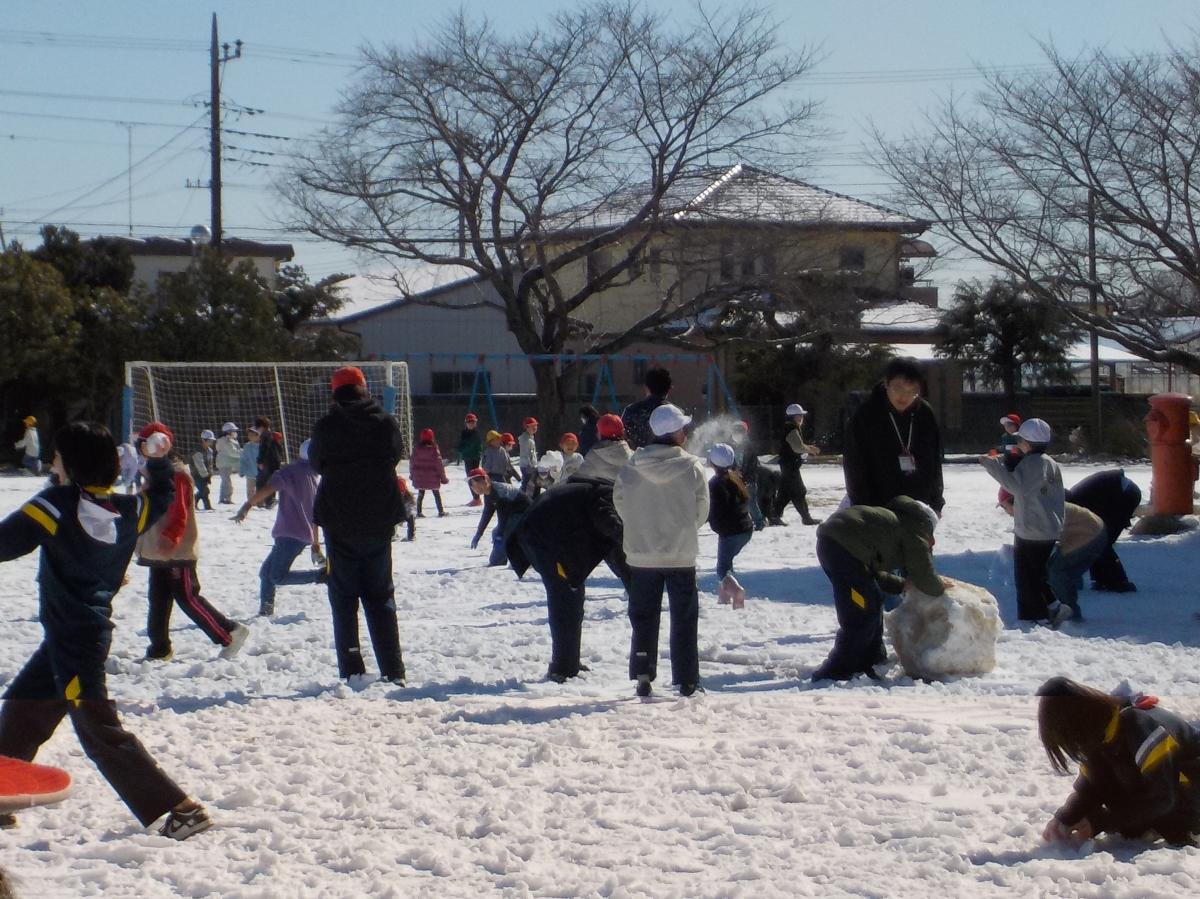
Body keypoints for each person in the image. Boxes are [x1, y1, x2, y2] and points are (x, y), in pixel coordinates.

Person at [0, 421, 211, 839]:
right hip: (78, 637)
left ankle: (181, 809)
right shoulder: (130, 510)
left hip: (74, 644)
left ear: (71, 463)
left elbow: (5, 542)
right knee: (22, 713)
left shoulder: (55, 505)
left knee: (100, 730)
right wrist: (159, 462)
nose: (53, 464)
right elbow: (161, 496)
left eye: (57, 457)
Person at [309, 366, 407, 684]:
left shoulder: (327, 425)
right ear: (364, 388)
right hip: (379, 517)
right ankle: (393, 670)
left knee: (343, 597)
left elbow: (316, 463)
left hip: (339, 520)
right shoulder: (384, 421)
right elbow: (396, 454)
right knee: (381, 595)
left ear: (335, 392)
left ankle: (352, 670)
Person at [613, 403, 709, 698]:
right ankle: (687, 679)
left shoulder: (632, 467)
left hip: (642, 554)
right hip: (680, 553)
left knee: (643, 616)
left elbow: (620, 504)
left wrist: (641, 528)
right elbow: (702, 510)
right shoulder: (692, 467)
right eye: (683, 428)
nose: (686, 433)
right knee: (684, 617)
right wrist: (683, 528)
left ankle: (643, 673)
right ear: (676, 433)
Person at [1038, 676, 1200, 847]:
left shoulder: (1138, 725)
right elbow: (1091, 787)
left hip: (1190, 784)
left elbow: (1163, 798)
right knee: (1126, 815)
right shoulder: (1100, 734)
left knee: (1166, 823)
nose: (1076, 747)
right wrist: (1066, 818)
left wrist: (1100, 822)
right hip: (1170, 790)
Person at [135, 422, 250, 661]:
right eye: (142, 445)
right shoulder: (152, 472)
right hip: (158, 549)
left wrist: (171, 538)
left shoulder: (177, 474)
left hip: (177, 550)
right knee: (158, 598)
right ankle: (159, 647)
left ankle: (229, 632)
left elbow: (181, 512)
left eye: (147, 444)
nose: (144, 449)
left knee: (187, 596)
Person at [506, 476, 629, 683]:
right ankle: (562, 668)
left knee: (572, 596)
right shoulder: (607, 495)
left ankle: (569, 661)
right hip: (544, 541)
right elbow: (611, 530)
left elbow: (609, 543)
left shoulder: (596, 489)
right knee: (565, 600)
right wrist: (630, 549)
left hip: (549, 538)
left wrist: (627, 573)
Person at [812, 495, 946, 681]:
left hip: (835, 546)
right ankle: (835, 670)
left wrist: (902, 585)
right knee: (862, 612)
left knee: (872, 598)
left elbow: (873, 575)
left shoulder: (894, 523)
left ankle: (871, 657)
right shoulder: (915, 527)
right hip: (843, 549)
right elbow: (923, 572)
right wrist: (942, 590)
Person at [979, 418, 1069, 625]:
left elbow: (1015, 486)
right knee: (1037, 573)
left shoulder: (1033, 464)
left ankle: (1036, 617)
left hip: (1032, 528)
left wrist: (990, 465)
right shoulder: (1047, 462)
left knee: (1027, 577)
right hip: (1047, 527)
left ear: (1026, 443)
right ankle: (1054, 606)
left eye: (1019, 440)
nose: (1018, 443)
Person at [842, 357, 945, 516]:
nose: (904, 396)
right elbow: (854, 465)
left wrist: (936, 502)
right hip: (877, 507)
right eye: (898, 388)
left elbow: (934, 460)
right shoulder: (865, 415)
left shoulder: (925, 414)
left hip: (918, 506)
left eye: (912, 391)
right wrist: (863, 506)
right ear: (886, 383)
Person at [234, 439, 325, 618]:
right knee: (266, 573)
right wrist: (315, 544)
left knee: (277, 576)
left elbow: (268, 489)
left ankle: (321, 576)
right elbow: (314, 515)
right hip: (300, 536)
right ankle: (266, 610)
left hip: (289, 534)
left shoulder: (290, 472)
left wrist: (247, 505)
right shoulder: (314, 477)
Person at [999, 488, 1105, 620]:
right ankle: (1067, 595)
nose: (1007, 513)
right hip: (1089, 530)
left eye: (1004, 507)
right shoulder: (1036, 507)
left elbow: (1041, 548)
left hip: (1089, 534)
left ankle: (1070, 616)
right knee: (1058, 567)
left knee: (1056, 572)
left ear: (1016, 502)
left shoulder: (1035, 514)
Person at [1066, 469, 1142, 593]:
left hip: (1125, 494)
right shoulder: (1076, 501)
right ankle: (1102, 579)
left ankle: (1118, 581)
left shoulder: (1078, 505)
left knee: (1102, 541)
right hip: (1118, 493)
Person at [707, 443, 752, 609]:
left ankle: (736, 591)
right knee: (727, 562)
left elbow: (713, 509)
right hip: (745, 528)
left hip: (731, 531)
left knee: (722, 569)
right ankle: (724, 597)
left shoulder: (715, 484)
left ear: (713, 463)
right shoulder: (735, 477)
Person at [468, 469, 532, 567]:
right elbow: (487, 513)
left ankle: (522, 558)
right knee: (496, 533)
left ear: (486, 480)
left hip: (525, 515)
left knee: (502, 537)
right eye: (472, 485)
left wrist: (500, 535)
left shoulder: (500, 492)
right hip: (514, 515)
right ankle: (503, 558)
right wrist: (479, 533)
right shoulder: (488, 492)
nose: (474, 488)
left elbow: (504, 517)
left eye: (476, 483)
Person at [772, 403, 821, 526]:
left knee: (786, 492)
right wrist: (810, 449)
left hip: (788, 465)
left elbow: (797, 445)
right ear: (794, 417)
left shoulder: (789, 427)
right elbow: (797, 447)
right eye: (800, 415)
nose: (802, 418)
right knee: (799, 491)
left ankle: (774, 516)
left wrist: (808, 447)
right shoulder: (792, 428)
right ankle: (806, 518)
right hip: (790, 466)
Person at [621, 367, 672, 451]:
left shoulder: (631, 411)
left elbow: (622, 439)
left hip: (636, 457)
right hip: (669, 458)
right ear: (669, 390)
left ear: (646, 387)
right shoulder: (675, 414)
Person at [730, 421, 765, 531]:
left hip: (749, 480)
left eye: (738, 433)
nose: (736, 435)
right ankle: (739, 523)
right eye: (734, 433)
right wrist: (734, 471)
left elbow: (751, 465)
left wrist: (745, 476)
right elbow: (732, 462)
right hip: (737, 479)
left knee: (751, 503)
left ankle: (759, 522)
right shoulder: (733, 447)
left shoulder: (749, 447)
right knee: (737, 503)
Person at [574, 414, 632, 482]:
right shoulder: (633, 457)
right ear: (623, 432)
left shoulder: (593, 457)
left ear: (599, 434)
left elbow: (578, 479)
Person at [410, 428, 449, 518]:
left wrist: (412, 475)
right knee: (436, 494)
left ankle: (419, 512)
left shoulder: (417, 449)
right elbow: (439, 464)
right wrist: (443, 478)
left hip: (420, 476)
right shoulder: (434, 449)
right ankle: (440, 511)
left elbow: (412, 463)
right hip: (433, 477)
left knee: (421, 493)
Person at [455, 413, 483, 507]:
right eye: (469, 422)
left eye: (473, 422)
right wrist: (460, 449)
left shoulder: (476, 434)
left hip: (474, 458)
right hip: (467, 458)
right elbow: (460, 445)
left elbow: (471, 446)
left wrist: (462, 449)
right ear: (466, 423)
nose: (471, 424)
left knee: (473, 478)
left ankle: (477, 498)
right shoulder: (464, 433)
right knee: (470, 478)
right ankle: (476, 498)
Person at [255, 417, 283, 510]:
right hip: (275, 462)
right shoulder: (273, 435)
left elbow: (264, 449)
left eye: (257, 428)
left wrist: (260, 461)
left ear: (261, 427)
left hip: (268, 463)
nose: (257, 430)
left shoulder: (265, 436)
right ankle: (269, 501)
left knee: (261, 482)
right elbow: (279, 449)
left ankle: (264, 501)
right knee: (270, 481)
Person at [214, 422, 241, 505]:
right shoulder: (224, 441)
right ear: (228, 432)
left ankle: (225, 498)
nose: (235, 432)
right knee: (226, 482)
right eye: (233, 431)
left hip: (229, 464)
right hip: (224, 464)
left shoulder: (232, 440)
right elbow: (233, 452)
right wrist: (244, 452)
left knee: (226, 482)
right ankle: (224, 499)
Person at [190, 429, 216, 511]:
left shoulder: (210, 451)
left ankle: (195, 502)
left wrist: (210, 474)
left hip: (205, 475)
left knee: (204, 491)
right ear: (203, 440)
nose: (211, 442)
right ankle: (206, 506)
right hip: (196, 475)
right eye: (209, 441)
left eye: (212, 441)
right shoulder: (197, 451)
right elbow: (199, 464)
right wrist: (205, 475)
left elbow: (210, 464)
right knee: (205, 490)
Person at [518, 417, 539, 497]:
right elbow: (526, 454)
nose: (534, 428)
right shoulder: (525, 440)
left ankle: (527, 496)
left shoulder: (530, 437)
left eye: (535, 425)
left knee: (530, 483)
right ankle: (522, 497)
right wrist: (530, 465)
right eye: (532, 426)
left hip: (530, 465)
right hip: (527, 466)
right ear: (526, 427)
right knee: (527, 483)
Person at [238, 425, 260, 504]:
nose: (249, 436)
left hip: (261, 473)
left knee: (261, 489)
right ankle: (251, 503)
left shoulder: (264, 446)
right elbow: (243, 459)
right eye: (248, 435)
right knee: (250, 490)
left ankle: (261, 503)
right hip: (250, 473)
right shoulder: (247, 446)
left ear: (258, 435)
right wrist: (241, 470)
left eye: (252, 435)